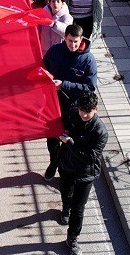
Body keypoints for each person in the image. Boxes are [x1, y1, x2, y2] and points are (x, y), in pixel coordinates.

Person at [56, 93, 110, 254]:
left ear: (96, 109)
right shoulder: (74, 114)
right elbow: (63, 124)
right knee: (66, 193)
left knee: (78, 208)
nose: (84, 114)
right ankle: (65, 208)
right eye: (82, 110)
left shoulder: (101, 132)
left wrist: (70, 142)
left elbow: (89, 158)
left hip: (85, 174)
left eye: (88, 111)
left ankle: (72, 238)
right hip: (67, 166)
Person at [42, 24, 98, 180]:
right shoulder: (55, 51)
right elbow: (43, 68)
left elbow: (90, 87)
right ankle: (53, 163)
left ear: (81, 40)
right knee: (52, 138)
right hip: (53, 105)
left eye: (76, 41)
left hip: (74, 109)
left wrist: (64, 85)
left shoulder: (88, 60)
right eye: (69, 41)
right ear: (64, 38)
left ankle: (64, 168)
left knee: (69, 141)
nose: (73, 45)